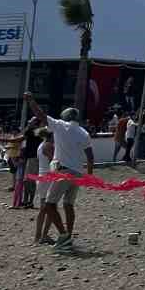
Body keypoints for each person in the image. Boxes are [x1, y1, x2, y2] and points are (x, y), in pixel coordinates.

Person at [25, 93, 94, 252]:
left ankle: (63, 237)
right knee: (69, 205)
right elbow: (90, 157)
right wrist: (89, 176)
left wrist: (31, 101)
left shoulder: (60, 125)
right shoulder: (84, 132)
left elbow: (40, 115)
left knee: (49, 205)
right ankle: (68, 235)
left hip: (63, 171)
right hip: (78, 173)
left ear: (65, 116)